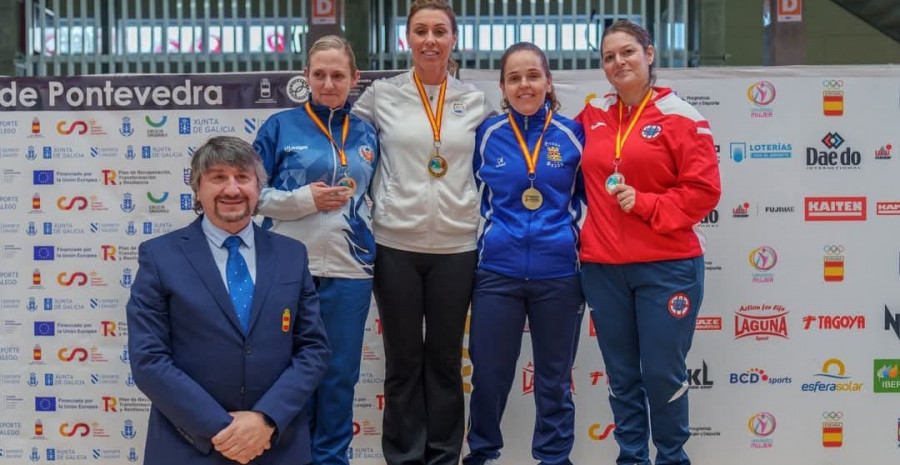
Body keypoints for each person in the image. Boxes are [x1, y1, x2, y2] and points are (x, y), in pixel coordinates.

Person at [126, 136, 331, 465]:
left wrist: (265, 420)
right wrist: (225, 431)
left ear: (258, 187)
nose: (232, 189)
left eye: (242, 177)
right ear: (197, 188)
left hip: (275, 446)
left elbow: (313, 349)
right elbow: (149, 360)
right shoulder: (159, 257)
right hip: (190, 447)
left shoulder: (292, 255)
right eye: (218, 177)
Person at [351, 1, 492, 463]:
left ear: (454, 39)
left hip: (457, 245)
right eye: (420, 31)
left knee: (447, 361)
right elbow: (352, 153)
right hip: (395, 244)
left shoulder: (474, 100)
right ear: (407, 39)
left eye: (439, 31)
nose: (430, 39)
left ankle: (443, 455)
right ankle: (404, 456)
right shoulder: (382, 96)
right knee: (404, 361)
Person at [575, 20, 721, 465]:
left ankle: (672, 457)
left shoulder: (683, 116)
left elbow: (703, 191)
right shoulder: (594, 115)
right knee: (621, 377)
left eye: (627, 53)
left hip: (667, 267)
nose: (618, 63)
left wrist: (644, 203)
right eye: (608, 57)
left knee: (662, 373)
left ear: (650, 55)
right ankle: (632, 457)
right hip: (603, 269)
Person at [252, 34, 378, 465]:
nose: (328, 83)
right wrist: (305, 200)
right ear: (305, 77)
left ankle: (332, 460)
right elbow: (249, 196)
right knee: (288, 375)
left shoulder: (367, 133)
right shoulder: (279, 127)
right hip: (287, 270)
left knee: (339, 377)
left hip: (350, 271)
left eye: (338, 75)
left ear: (354, 79)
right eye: (319, 74)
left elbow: (378, 198)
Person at [464, 42, 585, 465]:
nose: (524, 85)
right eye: (514, 78)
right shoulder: (488, 134)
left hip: (559, 276)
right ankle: (482, 453)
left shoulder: (573, 135)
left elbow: (593, 199)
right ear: (502, 86)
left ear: (548, 81)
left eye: (533, 75)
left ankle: (553, 458)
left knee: (553, 380)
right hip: (498, 273)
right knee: (490, 378)